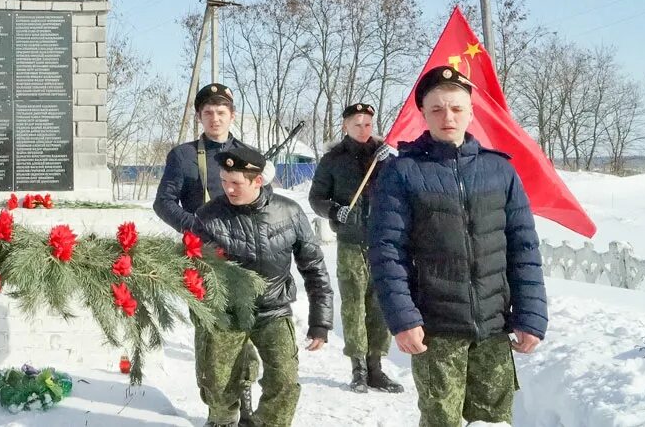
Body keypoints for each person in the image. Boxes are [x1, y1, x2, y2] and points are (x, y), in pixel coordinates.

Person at [369, 66, 548, 427]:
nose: (446, 117)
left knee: (494, 422)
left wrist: (530, 315)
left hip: (495, 329)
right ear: (422, 113)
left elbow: (523, 248)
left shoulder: (499, 171)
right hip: (436, 331)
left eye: (455, 108)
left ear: (470, 112)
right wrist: (403, 318)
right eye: (436, 109)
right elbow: (388, 252)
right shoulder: (402, 173)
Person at [195, 141, 334, 427]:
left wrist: (321, 321)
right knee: (218, 385)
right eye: (223, 181)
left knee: (284, 380)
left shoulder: (290, 212)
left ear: (258, 180)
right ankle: (223, 419)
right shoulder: (209, 216)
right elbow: (194, 268)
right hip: (227, 313)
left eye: (235, 183)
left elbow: (314, 268)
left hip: (272, 310)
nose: (228, 189)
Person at [153, 83, 259, 427]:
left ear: (232, 115)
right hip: (203, 260)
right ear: (199, 116)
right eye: (208, 112)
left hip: (244, 259)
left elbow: (263, 204)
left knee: (247, 332)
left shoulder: (249, 153)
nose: (215, 118)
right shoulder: (183, 156)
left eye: (221, 112)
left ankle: (244, 401)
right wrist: (198, 228)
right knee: (212, 339)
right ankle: (218, 411)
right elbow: (163, 203)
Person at [308, 102, 403, 394]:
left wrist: (395, 160)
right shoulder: (333, 159)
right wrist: (335, 211)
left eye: (368, 124)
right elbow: (316, 198)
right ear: (345, 126)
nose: (364, 129)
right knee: (353, 306)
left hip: (382, 242)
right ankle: (358, 368)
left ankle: (377, 367)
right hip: (351, 242)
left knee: (380, 306)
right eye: (357, 124)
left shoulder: (384, 156)